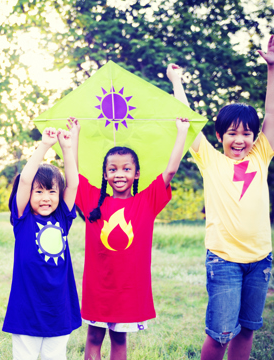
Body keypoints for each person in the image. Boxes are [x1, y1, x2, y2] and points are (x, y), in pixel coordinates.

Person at [168, 36, 274, 360]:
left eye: (246, 133)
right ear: (219, 136)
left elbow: (271, 111)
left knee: (248, 328)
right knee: (220, 335)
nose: (239, 140)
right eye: (232, 133)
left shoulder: (261, 156)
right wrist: (176, 81)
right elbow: (186, 115)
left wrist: (272, 69)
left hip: (260, 261)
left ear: (255, 136)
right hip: (224, 261)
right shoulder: (210, 159)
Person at [75, 117, 190, 360]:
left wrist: (182, 132)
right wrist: (74, 136)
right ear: (105, 174)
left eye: (126, 169)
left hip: (127, 290)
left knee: (119, 338)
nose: (119, 174)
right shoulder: (93, 200)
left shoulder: (146, 202)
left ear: (136, 174)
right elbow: (73, 175)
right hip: (98, 288)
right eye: (113, 169)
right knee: (94, 337)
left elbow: (170, 170)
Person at [2, 118, 82, 360]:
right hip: (26, 307)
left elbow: (74, 183)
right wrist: (44, 146)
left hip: (58, 307)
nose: (45, 197)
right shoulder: (23, 218)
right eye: (39, 191)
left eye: (51, 191)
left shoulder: (62, 218)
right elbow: (25, 180)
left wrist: (67, 149)